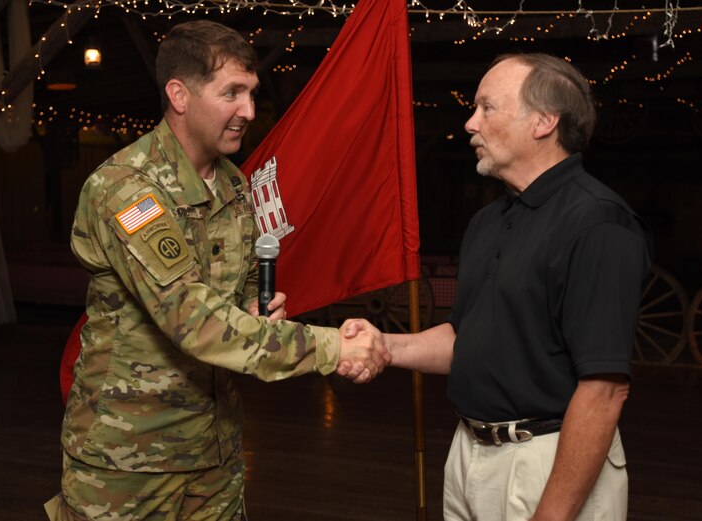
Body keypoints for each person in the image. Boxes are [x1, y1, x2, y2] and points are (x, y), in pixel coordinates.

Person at [49, 20, 387, 521]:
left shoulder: (234, 185)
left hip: (215, 453)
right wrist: (334, 347)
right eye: (232, 92)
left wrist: (257, 304)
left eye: (251, 93)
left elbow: (243, 284)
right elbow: (195, 319)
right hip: (130, 461)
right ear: (180, 95)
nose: (249, 111)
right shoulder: (126, 188)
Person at [342, 53, 652, 521]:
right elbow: (465, 341)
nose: (470, 123)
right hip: (467, 454)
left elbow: (604, 390)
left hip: (547, 462)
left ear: (544, 121)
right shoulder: (488, 221)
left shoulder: (599, 224)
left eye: (487, 107)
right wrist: (382, 344)